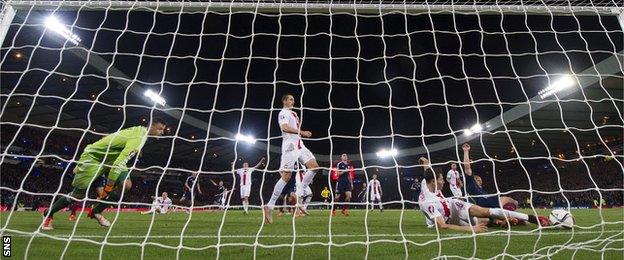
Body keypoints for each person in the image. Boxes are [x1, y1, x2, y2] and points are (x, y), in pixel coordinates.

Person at [42, 118, 167, 230]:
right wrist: (107, 189)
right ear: (151, 126)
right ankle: (49, 213)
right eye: (160, 129)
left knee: (126, 185)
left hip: (111, 159)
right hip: (93, 158)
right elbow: (117, 166)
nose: (162, 132)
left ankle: (96, 211)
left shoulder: (140, 132)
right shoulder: (138, 137)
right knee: (78, 195)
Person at [418, 157, 549, 233]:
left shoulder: (426, 182)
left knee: (487, 211)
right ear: (434, 182)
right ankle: (500, 221)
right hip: (448, 219)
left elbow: (427, 169)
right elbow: (443, 226)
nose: (443, 181)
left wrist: (423, 161)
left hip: (453, 205)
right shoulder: (428, 203)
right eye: (441, 179)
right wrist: (471, 229)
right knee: (483, 222)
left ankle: (532, 218)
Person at [263, 94, 320, 224]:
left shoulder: (294, 113)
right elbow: (284, 128)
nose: (292, 101)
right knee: (286, 176)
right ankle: (269, 206)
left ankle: (299, 195)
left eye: (293, 99)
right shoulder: (283, 112)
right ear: (284, 101)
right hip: (290, 146)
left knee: (315, 167)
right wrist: (302, 132)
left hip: (300, 145)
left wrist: (300, 135)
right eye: (290, 99)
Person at [461, 143, 518, 210]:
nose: (478, 179)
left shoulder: (481, 189)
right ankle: (506, 213)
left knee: (514, 202)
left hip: (486, 201)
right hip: (483, 200)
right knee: (509, 200)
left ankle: (505, 216)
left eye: (479, 179)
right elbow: (467, 167)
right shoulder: (471, 183)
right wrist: (466, 151)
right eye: (476, 178)